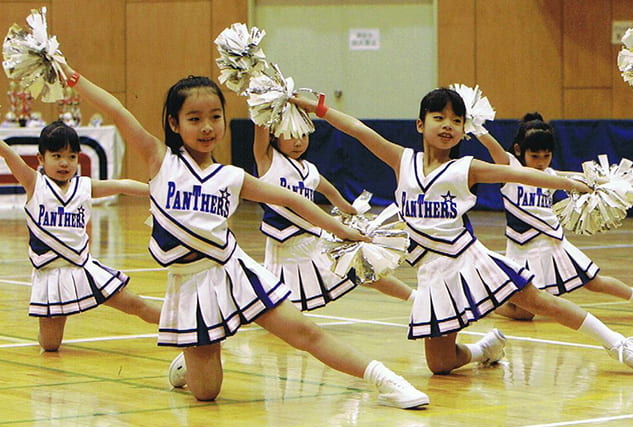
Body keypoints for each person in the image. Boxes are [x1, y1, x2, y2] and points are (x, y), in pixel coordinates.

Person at [64, 66, 429, 409]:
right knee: (206, 393)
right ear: (174, 123)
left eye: (215, 117)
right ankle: (191, 359)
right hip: (189, 285)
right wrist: (73, 77)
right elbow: (116, 109)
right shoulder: (160, 160)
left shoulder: (231, 177)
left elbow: (292, 200)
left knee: (303, 332)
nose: (207, 127)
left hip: (234, 270)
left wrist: (345, 231)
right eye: (194, 118)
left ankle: (385, 380)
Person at [291, 88, 633, 375]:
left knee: (539, 301)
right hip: (432, 274)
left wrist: (572, 183)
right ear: (420, 124)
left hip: (470, 259)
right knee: (440, 364)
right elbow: (358, 130)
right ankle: (484, 349)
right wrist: (318, 107)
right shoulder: (402, 160)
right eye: (439, 117)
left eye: (456, 120)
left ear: (464, 129)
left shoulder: (466, 167)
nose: (448, 125)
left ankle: (619, 344)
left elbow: (519, 174)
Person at [474, 112, 633, 321]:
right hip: (521, 248)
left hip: (552, 243)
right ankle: (486, 304)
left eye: (546, 156)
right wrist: (473, 124)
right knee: (524, 312)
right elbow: (492, 146)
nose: (540, 162)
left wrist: (611, 184)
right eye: (535, 156)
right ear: (519, 150)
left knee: (594, 282)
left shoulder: (550, 175)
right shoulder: (509, 168)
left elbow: (581, 179)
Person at [0, 121, 161, 351]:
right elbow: (7, 153)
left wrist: (158, 191)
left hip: (82, 269)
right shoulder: (34, 184)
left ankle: (185, 327)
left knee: (136, 304)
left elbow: (121, 185)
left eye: (72, 156)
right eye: (57, 156)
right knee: (50, 345)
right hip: (50, 276)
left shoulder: (84, 187)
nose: (65, 163)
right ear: (40, 159)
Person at [252, 124, 416, 310]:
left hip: (314, 243)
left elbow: (331, 193)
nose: (298, 142)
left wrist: (352, 212)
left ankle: (416, 298)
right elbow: (260, 123)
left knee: (363, 269)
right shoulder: (268, 160)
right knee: (273, 308)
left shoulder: (309, 170)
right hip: (284, 251)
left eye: (303, 135)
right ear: (274, 137)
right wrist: (267, 108)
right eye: (290, 136)